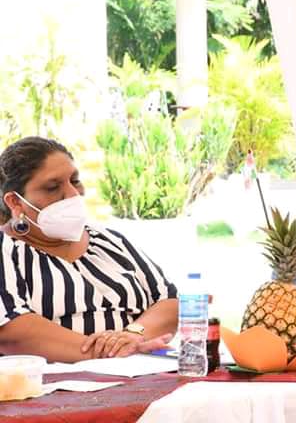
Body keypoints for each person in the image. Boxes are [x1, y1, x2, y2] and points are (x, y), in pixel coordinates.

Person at [0, 137, 178, 362]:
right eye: (53, 187)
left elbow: (169, 301)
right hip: (54, 380)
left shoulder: (110, 241)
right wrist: (111, 352)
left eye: (75, 181)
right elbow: (12, 331)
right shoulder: (6, 251)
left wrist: (133, 335)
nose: (73, 194)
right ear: (15, 202)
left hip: (138, 371)